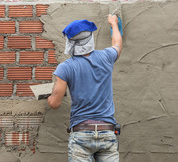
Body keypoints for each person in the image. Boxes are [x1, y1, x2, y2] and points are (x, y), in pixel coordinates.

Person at [47, 15, 123, 162]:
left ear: (70, 42)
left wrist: (50, 97)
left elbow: (55, 104)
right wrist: (113, 24)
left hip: (81, 133)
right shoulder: (106, 57)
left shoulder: (65, 68)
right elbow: (118, 44)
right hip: (107, 131)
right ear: (90, 38)